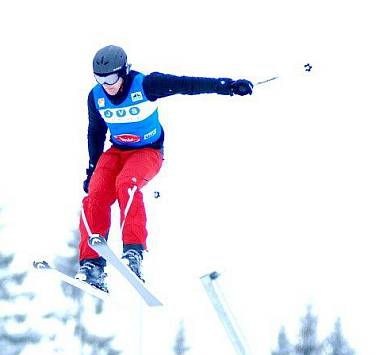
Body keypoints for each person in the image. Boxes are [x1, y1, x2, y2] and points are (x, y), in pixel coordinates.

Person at [76, 45, 253, 292]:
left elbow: (186, 85)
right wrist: (93, 168)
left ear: (124, 71)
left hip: (148, 152)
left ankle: (133, 254)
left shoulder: (147, 85)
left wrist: (228, 86)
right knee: (95, 193)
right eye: (100, 79)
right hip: (117, 151)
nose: (108, 84)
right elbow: (95, 132)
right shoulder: (96, 97)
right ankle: (92, 265)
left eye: (112, 78)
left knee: (126, 184)